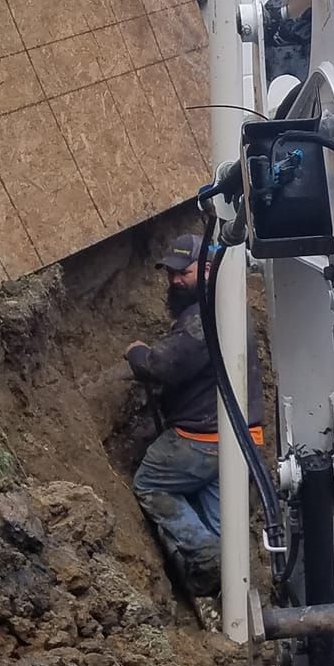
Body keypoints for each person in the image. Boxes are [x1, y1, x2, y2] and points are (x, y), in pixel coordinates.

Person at [126, 232, 264, 595]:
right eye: (170, 273)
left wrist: (137, 353)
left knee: (150, 483)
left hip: (202, 440)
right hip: (240, 440)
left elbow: (163, 365)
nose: (174, 280)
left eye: (182, 273)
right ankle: (230, 587)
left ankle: (206, 557)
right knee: (224, 525)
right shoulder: (228, 305)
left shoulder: (203, 317)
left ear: (206, 269)